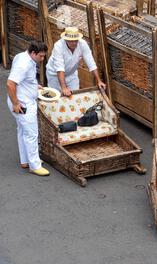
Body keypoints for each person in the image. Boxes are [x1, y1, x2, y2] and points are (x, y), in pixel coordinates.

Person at [6, 41, 50, 176]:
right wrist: (15, 104)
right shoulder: (24, 64)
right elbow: (10, 84)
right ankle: (34, 165)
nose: (42, 59)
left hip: (21, 100)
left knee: (22, 130)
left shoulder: (23, 57)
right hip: (23, 104)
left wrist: (33, 85)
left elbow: (24, 79)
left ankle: (25, 160)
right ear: (33, 53)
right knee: (32, 134)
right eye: (41, 56)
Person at [46, 27, 106, 96]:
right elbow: (60, 69)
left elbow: (91, 63)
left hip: (71, 75)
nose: (74, 43)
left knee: (75, 97)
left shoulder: (82, 44)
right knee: (56, 98)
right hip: (54, 76)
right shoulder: (58, 46)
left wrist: (99, 81)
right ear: (65, 39)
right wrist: (64, 88)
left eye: (75, 40)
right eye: (71, 41)